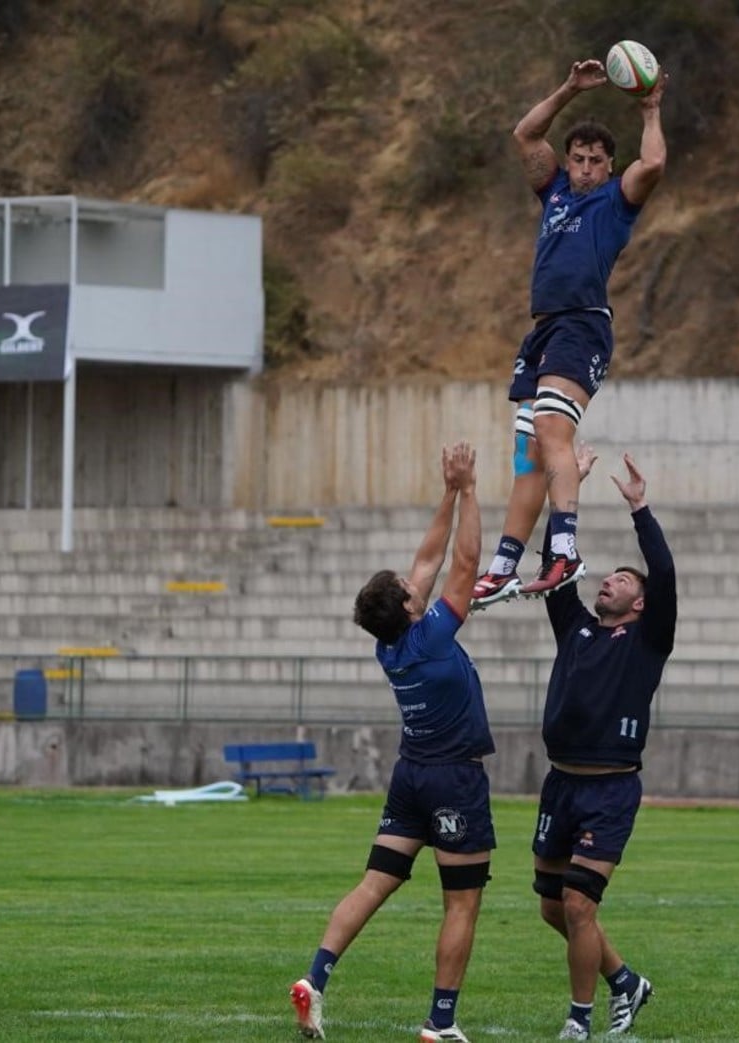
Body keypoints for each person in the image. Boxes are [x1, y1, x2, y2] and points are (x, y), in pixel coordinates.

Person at [290, 443, 493, 1043]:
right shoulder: (431, 637)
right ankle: (441, 1022)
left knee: (375, 882)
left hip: (410, 777)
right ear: (409, 606)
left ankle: (315, 979)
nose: (416, 581)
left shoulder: (391, 643)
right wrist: (473, 487)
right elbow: (465, 559)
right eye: (409, 587)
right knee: (461, 903)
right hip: (453, 778)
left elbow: (429, 557)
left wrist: (448, 493)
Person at [470, 57, 668, 608]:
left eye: (593, 161)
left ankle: (564, 550)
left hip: (582, 325)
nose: (582, 168)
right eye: (577, 158)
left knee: (553, 435)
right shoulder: (554, 191)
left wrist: (650, 109)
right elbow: (526, 134)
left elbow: (652, 161)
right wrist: (568, 89)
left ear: (608, 168)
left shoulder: (615, 202)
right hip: (542, 331)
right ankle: (506, 564)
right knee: (528, 455)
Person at [531, 450, 675, 1040]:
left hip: (610, 788)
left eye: (620, 580)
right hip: (560, 782)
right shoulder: (577, 626)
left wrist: (640, 509)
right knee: (552, 906)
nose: (607, 582)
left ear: (638, 603)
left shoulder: (647, 641)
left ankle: (578, 1020)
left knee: (580, 904)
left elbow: (663, 575)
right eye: (608, 577)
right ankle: (626, 982)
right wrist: (567, 493)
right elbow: (552, 566)